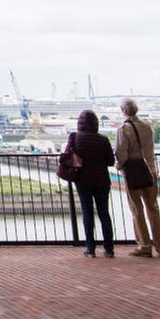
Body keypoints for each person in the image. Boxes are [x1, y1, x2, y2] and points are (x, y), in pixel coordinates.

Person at [115, 98, 160, 258]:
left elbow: (121, 153)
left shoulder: (124, 129)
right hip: (151, 171)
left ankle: (145, 245)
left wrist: (119, 166)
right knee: (153, 208)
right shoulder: (147, 127)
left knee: (137, 209)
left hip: (134, 173)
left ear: (123, 111)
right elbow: (150, 149)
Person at [63, 109, 115, 257]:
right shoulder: (103, 140)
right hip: (102, 180)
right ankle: (109, 249)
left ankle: (90, 248)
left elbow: (67, 156)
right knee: (104, 212)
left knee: (87, 212)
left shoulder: (75, 137)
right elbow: (111, 161)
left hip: (82, 179)